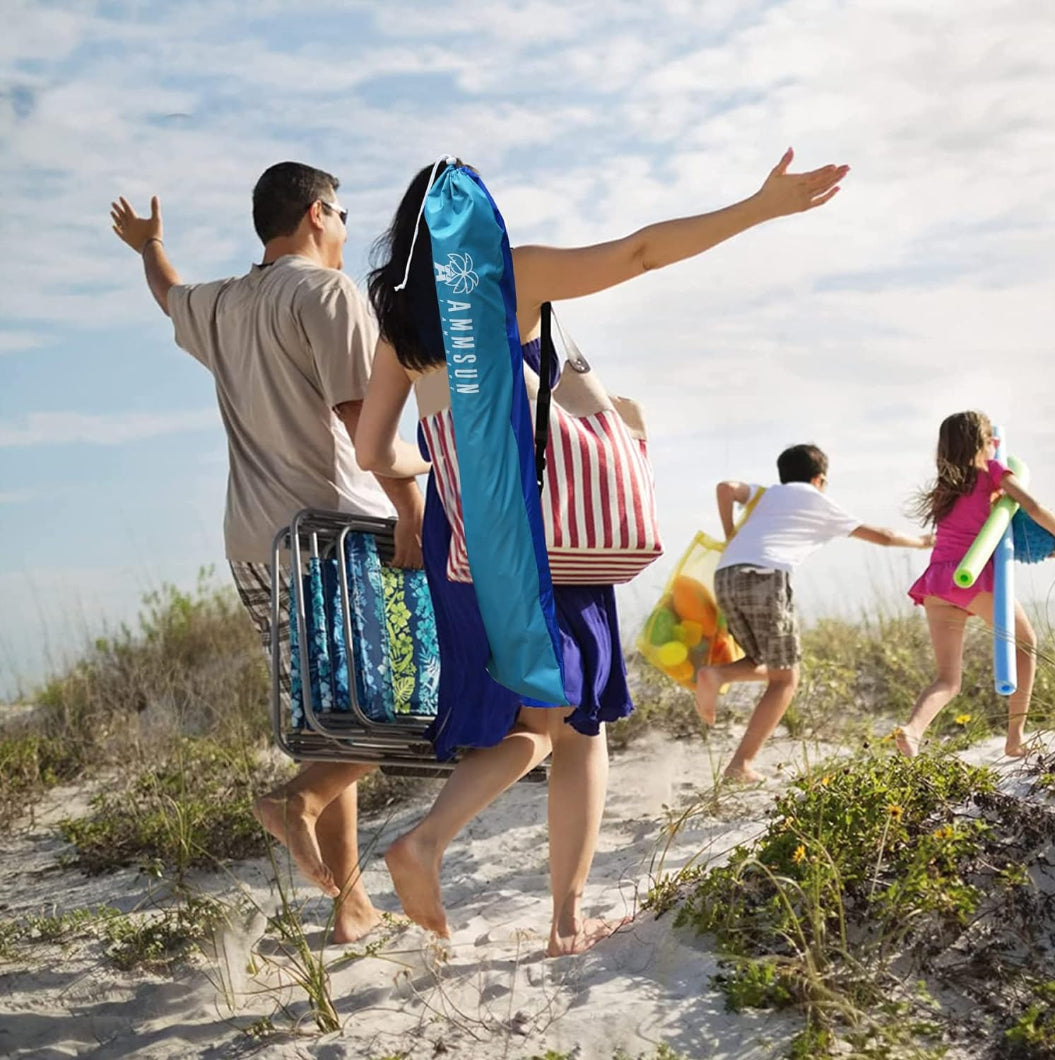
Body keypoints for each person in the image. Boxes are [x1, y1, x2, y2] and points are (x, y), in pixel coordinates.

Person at [355, 150, 849, 954]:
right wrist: (757, 208)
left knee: (532, 722)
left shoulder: (402, 323)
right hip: (548, 539)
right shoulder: (507, 275)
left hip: (468, 549)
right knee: (575, 728)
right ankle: (546, 911)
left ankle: (443, 850)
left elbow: (376, 448)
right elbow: (639, 252)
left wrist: (447, 461)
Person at [109, 162, 428, 943]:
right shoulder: (326, 295)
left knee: (334, 719)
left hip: (257, 544)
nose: (349, 230)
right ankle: (299, 802)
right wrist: (415, 516)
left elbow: (166, 293)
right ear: (318, 213)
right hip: (338, 532)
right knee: (415, 701)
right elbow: (369, 431)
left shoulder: (220, 302)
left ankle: (349, 903)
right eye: (345, 214)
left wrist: (149, 246)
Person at [695, 444, 932, 781]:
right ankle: (740, 763)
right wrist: (923, 542)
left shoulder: (767, 494)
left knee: (765, 661)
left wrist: (730, 532)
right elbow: (884, 536)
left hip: (726, 575)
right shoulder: (817, 500)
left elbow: (726, 488)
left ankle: (719, 676)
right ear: (820, 479)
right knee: (786, 680)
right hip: (766, 577)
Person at [896, 410, 1055, 758]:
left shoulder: (946, 486)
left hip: (938, 582)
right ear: (984, 444)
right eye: (991, 441)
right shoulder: (992, 473)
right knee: (1027, 645)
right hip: (973, 577)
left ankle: (912, 731)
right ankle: (1015, 736)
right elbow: (1032, 506)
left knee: (948, 679)